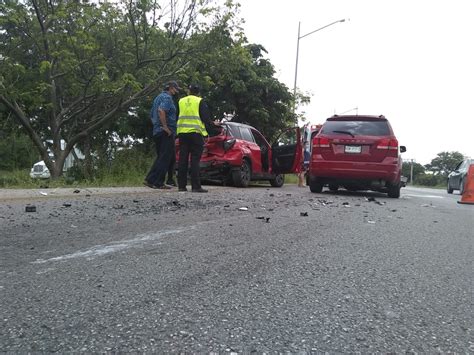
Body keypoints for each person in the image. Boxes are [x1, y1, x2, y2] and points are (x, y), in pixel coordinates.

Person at [177, 84, 219, 193]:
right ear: (198, 92)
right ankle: (195, 186)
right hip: (195, 134)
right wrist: (213, 125)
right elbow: (205, 119)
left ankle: (181, 186)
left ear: (188, 91)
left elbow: (178, 115)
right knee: (195, 160)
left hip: (182, 133)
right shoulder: (200, 101)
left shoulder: (181, 101)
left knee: (183, 160)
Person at [144, 80, 181, 189]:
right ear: (170, 87)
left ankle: (150, 179)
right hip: (166, 132)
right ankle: (158, 182)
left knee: (161, 157)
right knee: (165, 157)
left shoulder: (157, 98)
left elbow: (152, 115)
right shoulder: (167, 98)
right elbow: (161, 110)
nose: (176, 91)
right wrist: (165, 127)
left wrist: (157, 126)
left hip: (157, 131)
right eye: (175, 88)